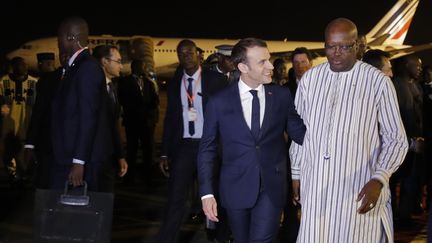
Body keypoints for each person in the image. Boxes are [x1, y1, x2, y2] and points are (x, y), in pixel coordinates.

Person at [289, 18, 408, 242]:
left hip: (359, 187)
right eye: (330, 46)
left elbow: (396, 139)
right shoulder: (310, 80)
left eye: (344, 47)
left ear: (357, 46)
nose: (336, 53)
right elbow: (301, 131)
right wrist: (296, 172)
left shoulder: (377, 82)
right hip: (316, 184)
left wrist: (379, 178)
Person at [198, 37, 306, 243]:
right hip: (235, 187)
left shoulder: (281, 96)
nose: (270, 66)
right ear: (243, 67)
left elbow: (301, 135)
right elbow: (207, 149)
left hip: (272, 187)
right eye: (262, 62)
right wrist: (206, 193)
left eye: (269, 59)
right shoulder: (219, 101)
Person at [156, 39, 228, 243]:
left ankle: (218, 237)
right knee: (176, 198)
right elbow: (170, 118)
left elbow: (227, 116)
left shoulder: (215, 80)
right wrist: (164, 152)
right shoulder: (174, 82)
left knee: (215, 196)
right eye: (181, 54)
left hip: (210, 146)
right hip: (185, 147)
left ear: (198, 54)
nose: (186, 56)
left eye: (189, 52)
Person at [50, 17, 114, 191]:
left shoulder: (87, 68)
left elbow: (88, 117)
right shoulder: (75, 66)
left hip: (81, 159)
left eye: (60, 36)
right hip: (69, 154)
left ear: (71, 38)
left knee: (77, 213)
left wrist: (79, 161)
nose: (57, 40)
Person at [92, 45, 128, 192]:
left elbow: (113, 124)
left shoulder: (111, 86)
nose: (121, 65)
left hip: (108, 155)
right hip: (93, 157)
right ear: (105, 61)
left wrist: (120, 155)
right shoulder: (93, 87)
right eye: (118, 61)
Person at [117, 59, 159, 186]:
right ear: (134, 67)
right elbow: (123, 100)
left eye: (144, 66)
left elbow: (155, 100)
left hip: (147, 123)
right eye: (142, 66)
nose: (144, 69)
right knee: (132, 151)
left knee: (148, 151)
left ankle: (148, 179)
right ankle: (129, 179)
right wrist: (139, 109)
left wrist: (150, 116)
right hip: (133, 122)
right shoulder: (125, 82)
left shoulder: (148, 82)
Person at [0, 57, 37, 182]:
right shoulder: (4, 81)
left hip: (25, 125)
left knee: (23, 152)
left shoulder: (34, 82)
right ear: (13, 66)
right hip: (8, 126)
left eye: (24, 64)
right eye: (19, 64)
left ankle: (24, 174)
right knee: (6, 151)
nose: (23, 67)